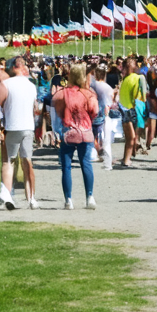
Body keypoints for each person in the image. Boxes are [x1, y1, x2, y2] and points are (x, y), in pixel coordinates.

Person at [0, 55, 40, 209]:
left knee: (8, 162)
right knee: (27, 162)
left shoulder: (6, 84)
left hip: (12, 126)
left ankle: (6, 194)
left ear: (13, 67)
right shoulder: (31, 85)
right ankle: (31, 198)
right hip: (28, 126)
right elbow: (35, 108)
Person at [53, 62, 98, 210]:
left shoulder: (63, 93)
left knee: (66, 167)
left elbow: (55, 104)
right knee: (86, 163)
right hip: (85, 131)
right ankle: (89, 197)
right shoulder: (89, 94)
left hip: (69, 132)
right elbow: (95, 111)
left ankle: (68, 200)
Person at [116, 58, 145, 167]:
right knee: (131, 137)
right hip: (131, 110)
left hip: (124, 110)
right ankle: (126, 160)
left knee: (129, 138)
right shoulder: (137, 78)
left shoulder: (125, 79)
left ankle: (126, 158)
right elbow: (138, 96)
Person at [91, 66, 116, 171]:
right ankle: (100, 151)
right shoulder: (107, 87)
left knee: (93, 134)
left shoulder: (92, 85)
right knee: (103, 135)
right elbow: (112, 99)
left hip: (94, 111)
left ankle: (96, 152)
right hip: (105, 111)